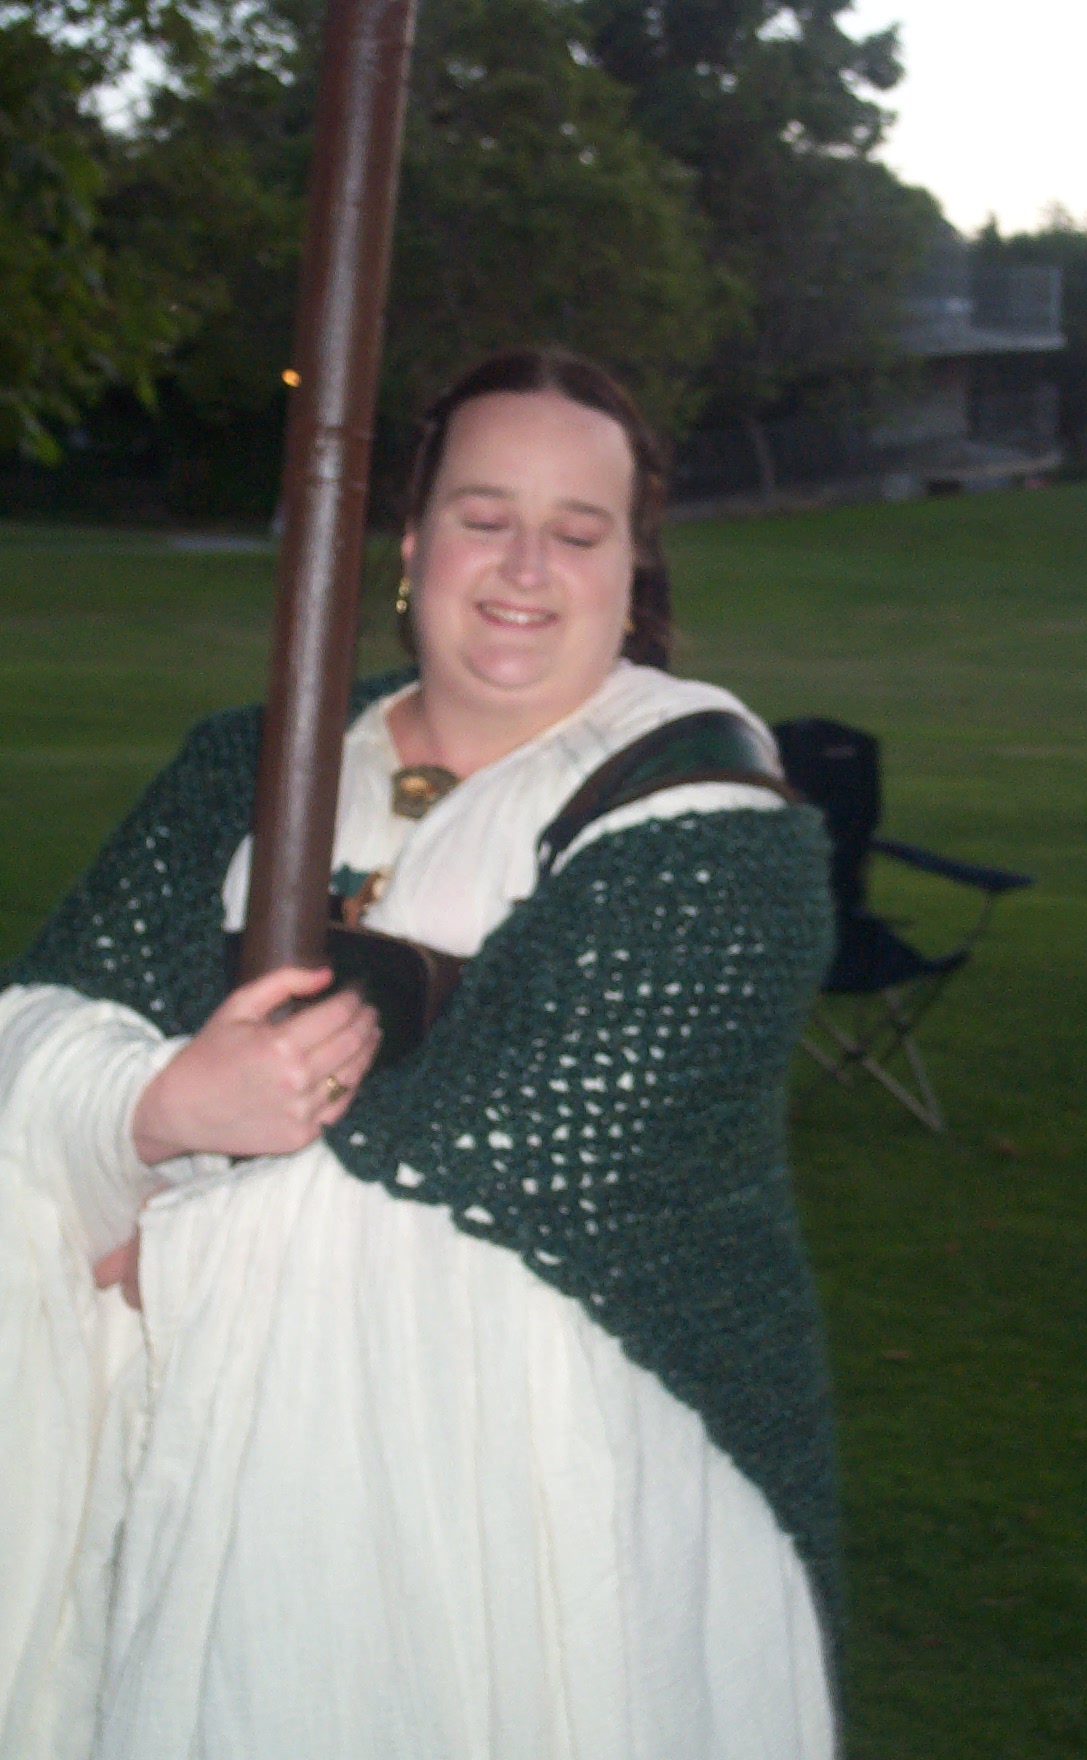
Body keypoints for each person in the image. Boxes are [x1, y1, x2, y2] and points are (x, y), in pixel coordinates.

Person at [0, 348, 838, 1759]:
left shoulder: (718, 829)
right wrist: (156, 1102)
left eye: (578, 532)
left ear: (634, 566)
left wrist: (160, 1243)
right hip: (206, 1469)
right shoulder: (248, 767)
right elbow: (38, 1023)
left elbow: (495, 1181)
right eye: (482, 515)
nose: (525, 566)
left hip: (540, 1497)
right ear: (409, 541)